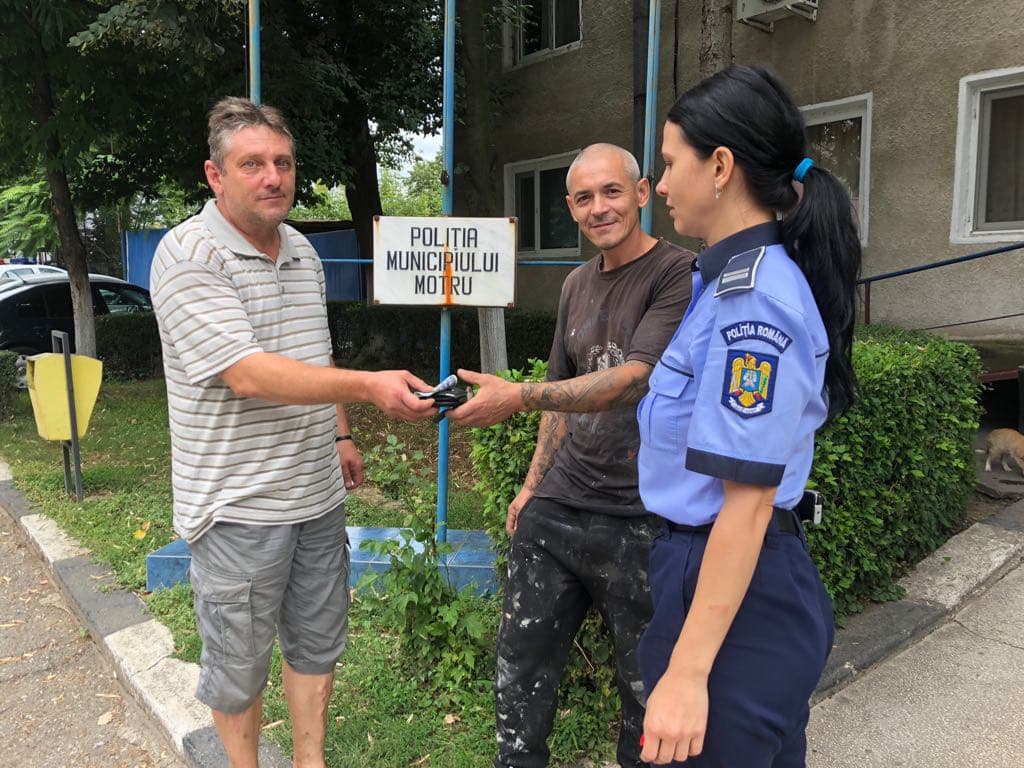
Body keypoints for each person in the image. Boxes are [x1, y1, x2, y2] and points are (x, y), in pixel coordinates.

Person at [150, 97, 436, 768]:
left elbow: (315, 352)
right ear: (216, 175)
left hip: (316, 496)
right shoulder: (188, 254)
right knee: (239, 669)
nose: (273, 177)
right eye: (252, 164)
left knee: (316, 647)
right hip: (239, 507)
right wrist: (369, 387)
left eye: (283, 162)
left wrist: (341, 435)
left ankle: (311, 761)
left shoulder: (303, 250)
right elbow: (246, 373)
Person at [635, 65, 861, 767]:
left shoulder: (753, 301)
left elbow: (749, 499)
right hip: (722, 581)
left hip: (734, 592)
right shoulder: (723, 284)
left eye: (671, 163)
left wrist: (687, 673)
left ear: (720, 167)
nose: (661, 185)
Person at [448, 143, 694, 768]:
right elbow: (563, 396)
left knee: (646, 685)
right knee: (519, 667)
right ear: (570, 207)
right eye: (584, 198)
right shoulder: (575, 284)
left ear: (642, 193)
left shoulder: (677, 274)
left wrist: (517, 395)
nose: (598, 208)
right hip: (559, 507)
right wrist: (533, 486)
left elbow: (634, 378)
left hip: (641, 515)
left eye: (612, 192)